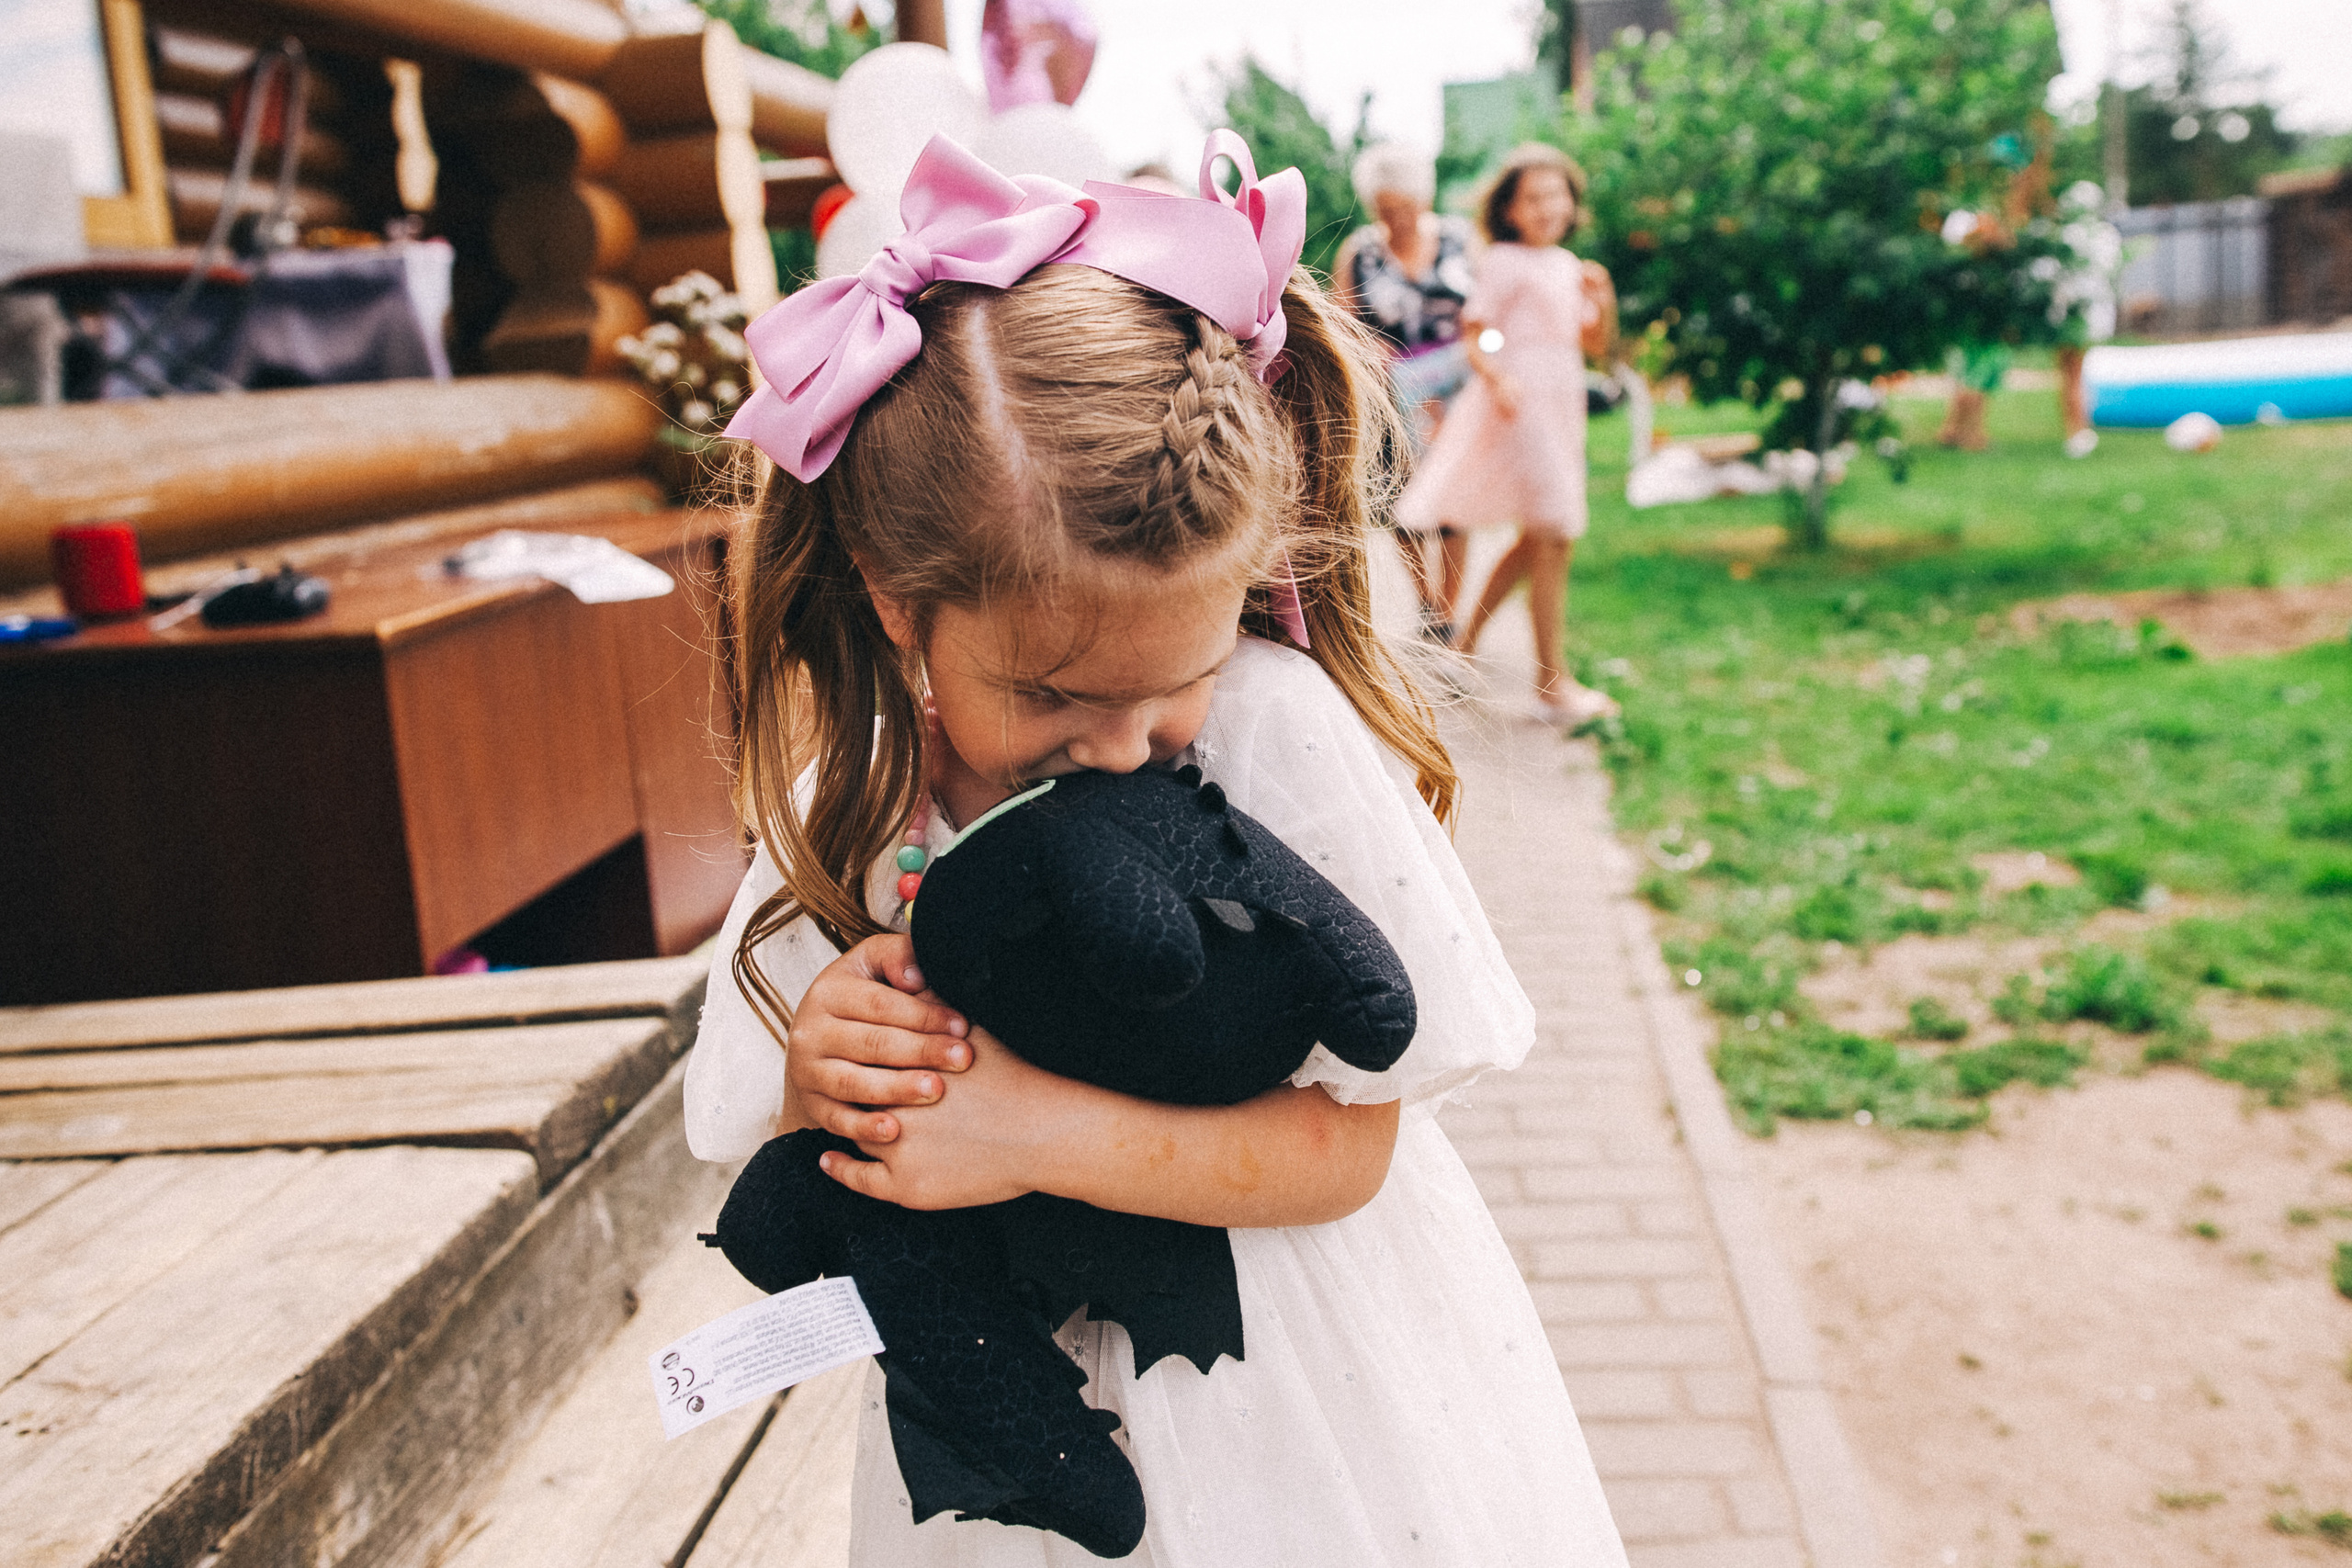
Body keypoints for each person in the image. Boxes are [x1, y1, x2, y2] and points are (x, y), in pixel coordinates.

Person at [685, 132, 1628, 1567]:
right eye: (1053, 694)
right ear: (892, 596)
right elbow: (777, 1121)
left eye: (1165, 680)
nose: (1125, 743)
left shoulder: (1269, 729)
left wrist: (1026, 1132)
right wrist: (829, 1067)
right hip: (1003, 1434)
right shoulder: (859, 789)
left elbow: (1355, 1140)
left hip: (1289, 1393)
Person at [1398, 143, 1618, 728]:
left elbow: (1594, 345)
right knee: (1554, 530)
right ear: (1511, 209)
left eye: (1558, 194)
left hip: (1562, 401)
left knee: (1545, 535)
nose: (1550, 206)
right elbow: (1478, 333)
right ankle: (1552, 681)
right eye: (1534, 197)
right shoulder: (1503, 261)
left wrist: (1603, 299)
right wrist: (1497, 375)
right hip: (1522, 403)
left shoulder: (1569, 266)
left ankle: (1467, 646)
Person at [1332, 142, 1477, 642]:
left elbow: (1484, 312)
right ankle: (1427, 604)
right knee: (1405, 504)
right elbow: (1343, 324)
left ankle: (1449, 612)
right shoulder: (1361, 253)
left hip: (1459, 390)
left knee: (1454, 503)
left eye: (1404, 206)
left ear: (1424, 197)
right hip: (1392, 396)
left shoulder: (1460, 240)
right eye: (1384, 209)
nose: (1395, 218)